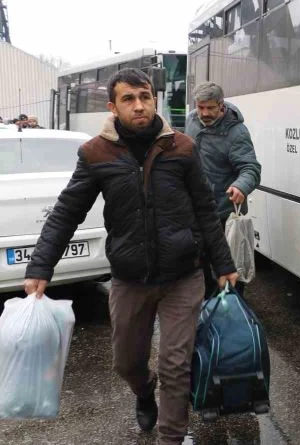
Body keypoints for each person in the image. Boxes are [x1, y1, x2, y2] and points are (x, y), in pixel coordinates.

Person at [23, 68, 239, 445]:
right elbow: (67, 211)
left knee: (176, 365)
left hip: (181, 277)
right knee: (126, 363)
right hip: (129, 278)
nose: (139, 106)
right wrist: (42, 265)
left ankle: (170, 437)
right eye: (129, 99)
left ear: (155, 100)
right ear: (113, 106)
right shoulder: (95, 154)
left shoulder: (182, 148)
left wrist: (223, 264)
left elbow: (206, 209)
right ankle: (143, 392)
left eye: (145, 97)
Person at [184, 82, 261, 298]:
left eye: (210, 108)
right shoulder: (191, 119)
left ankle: (232, 314)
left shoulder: (237, 132)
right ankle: (206, 312)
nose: (204, 113)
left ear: (221, 105)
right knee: (198, 267)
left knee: (228, 269)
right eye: (200, 107)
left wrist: (240, 186)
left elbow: (251, 168)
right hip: (195, 209)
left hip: (223, 213)